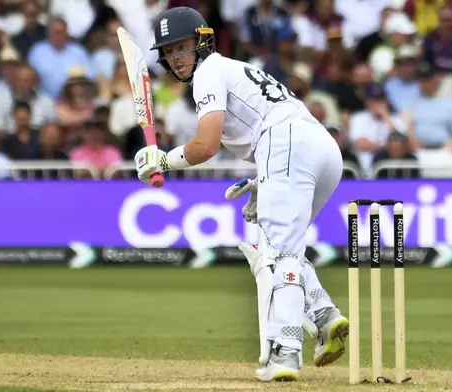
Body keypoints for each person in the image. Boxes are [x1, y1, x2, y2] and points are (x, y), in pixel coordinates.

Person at [134, 7, 348, 382]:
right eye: (168, 52)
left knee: (276, 252)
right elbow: (268, 125)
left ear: (202, 42)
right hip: (322, 148)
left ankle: (285, 352)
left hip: (287, 143)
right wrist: (264, 182)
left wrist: (162, 160)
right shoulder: (234, 69)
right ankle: (324, 316)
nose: (176, 58)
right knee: (281, 247)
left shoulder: (209, 71)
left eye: (181, 48)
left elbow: (206, 144)